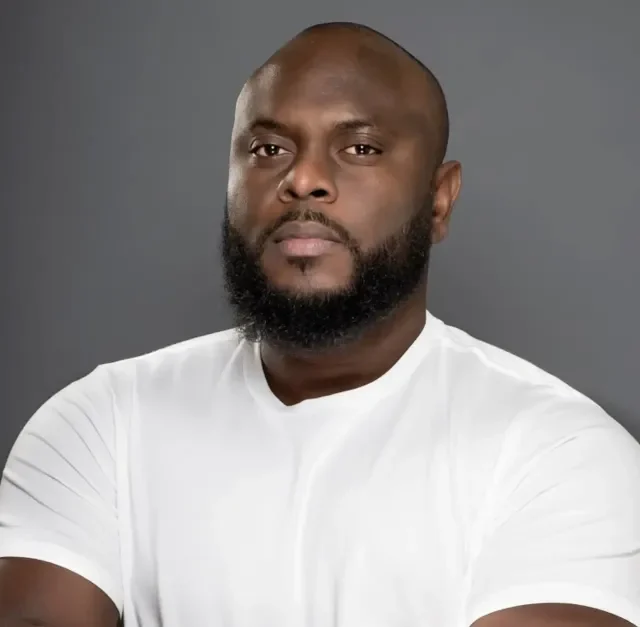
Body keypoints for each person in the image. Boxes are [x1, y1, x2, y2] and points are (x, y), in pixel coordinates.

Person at [0, 21, 639, 627]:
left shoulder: (560, 453)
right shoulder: (103, 423)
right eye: (269, 149)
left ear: (439, 200)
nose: (302, 179)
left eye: (360, 148)